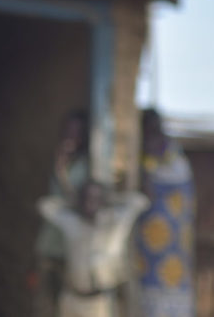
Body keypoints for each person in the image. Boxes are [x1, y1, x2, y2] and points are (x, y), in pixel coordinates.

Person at [38, 180, 148, 317]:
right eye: (87, 198)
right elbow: (45, 207)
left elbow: (140, 201)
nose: (91, 202)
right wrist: (72, 201)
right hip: (71, 297)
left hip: (100, 301)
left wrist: (112, 198)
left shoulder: (116, 222)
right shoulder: (73, 223)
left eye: (96, 198)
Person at [134, 108, 197, 317]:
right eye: (148, 128)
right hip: (148, 246)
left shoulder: (173, 155)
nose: (153, 133)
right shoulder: (139, 156)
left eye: (155, 127)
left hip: (173, 244)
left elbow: (178, 187)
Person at [33, 110, 92, 316]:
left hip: (72, 247)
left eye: (77, 132)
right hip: (50, 243)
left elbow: (80, 202)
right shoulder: (59, 162)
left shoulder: (88, 165)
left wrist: (61, 172)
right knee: (44, 303)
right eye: (68, 130)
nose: (71, 136)